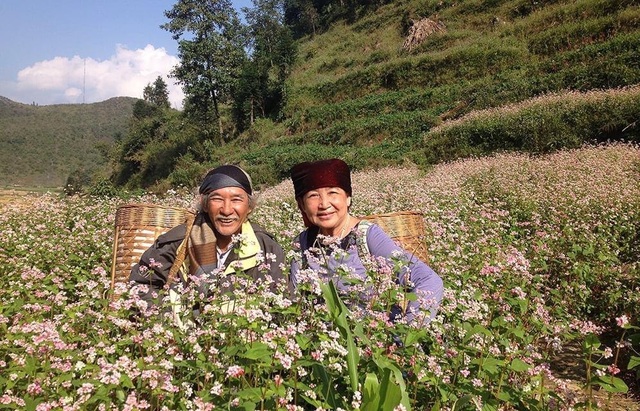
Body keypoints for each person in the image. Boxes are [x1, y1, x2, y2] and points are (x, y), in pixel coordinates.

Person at [289, 158, 443, 324]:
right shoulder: (303, 244)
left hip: (372, 341)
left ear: (347, 198)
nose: (324, 204)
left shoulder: (366, 236)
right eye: (313, 196)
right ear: (303, 205)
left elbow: (428, 280)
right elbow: (296, 299)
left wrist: (406, 336)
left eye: (333, 193)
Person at [129, 165, 288, 317]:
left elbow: (280, 304)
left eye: (236, 200)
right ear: (205, 204)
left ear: (249, 206)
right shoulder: (179, 241)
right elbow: (140, 286)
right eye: (217, 199)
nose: (226, 210)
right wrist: (170, 323)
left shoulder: (266, 248)